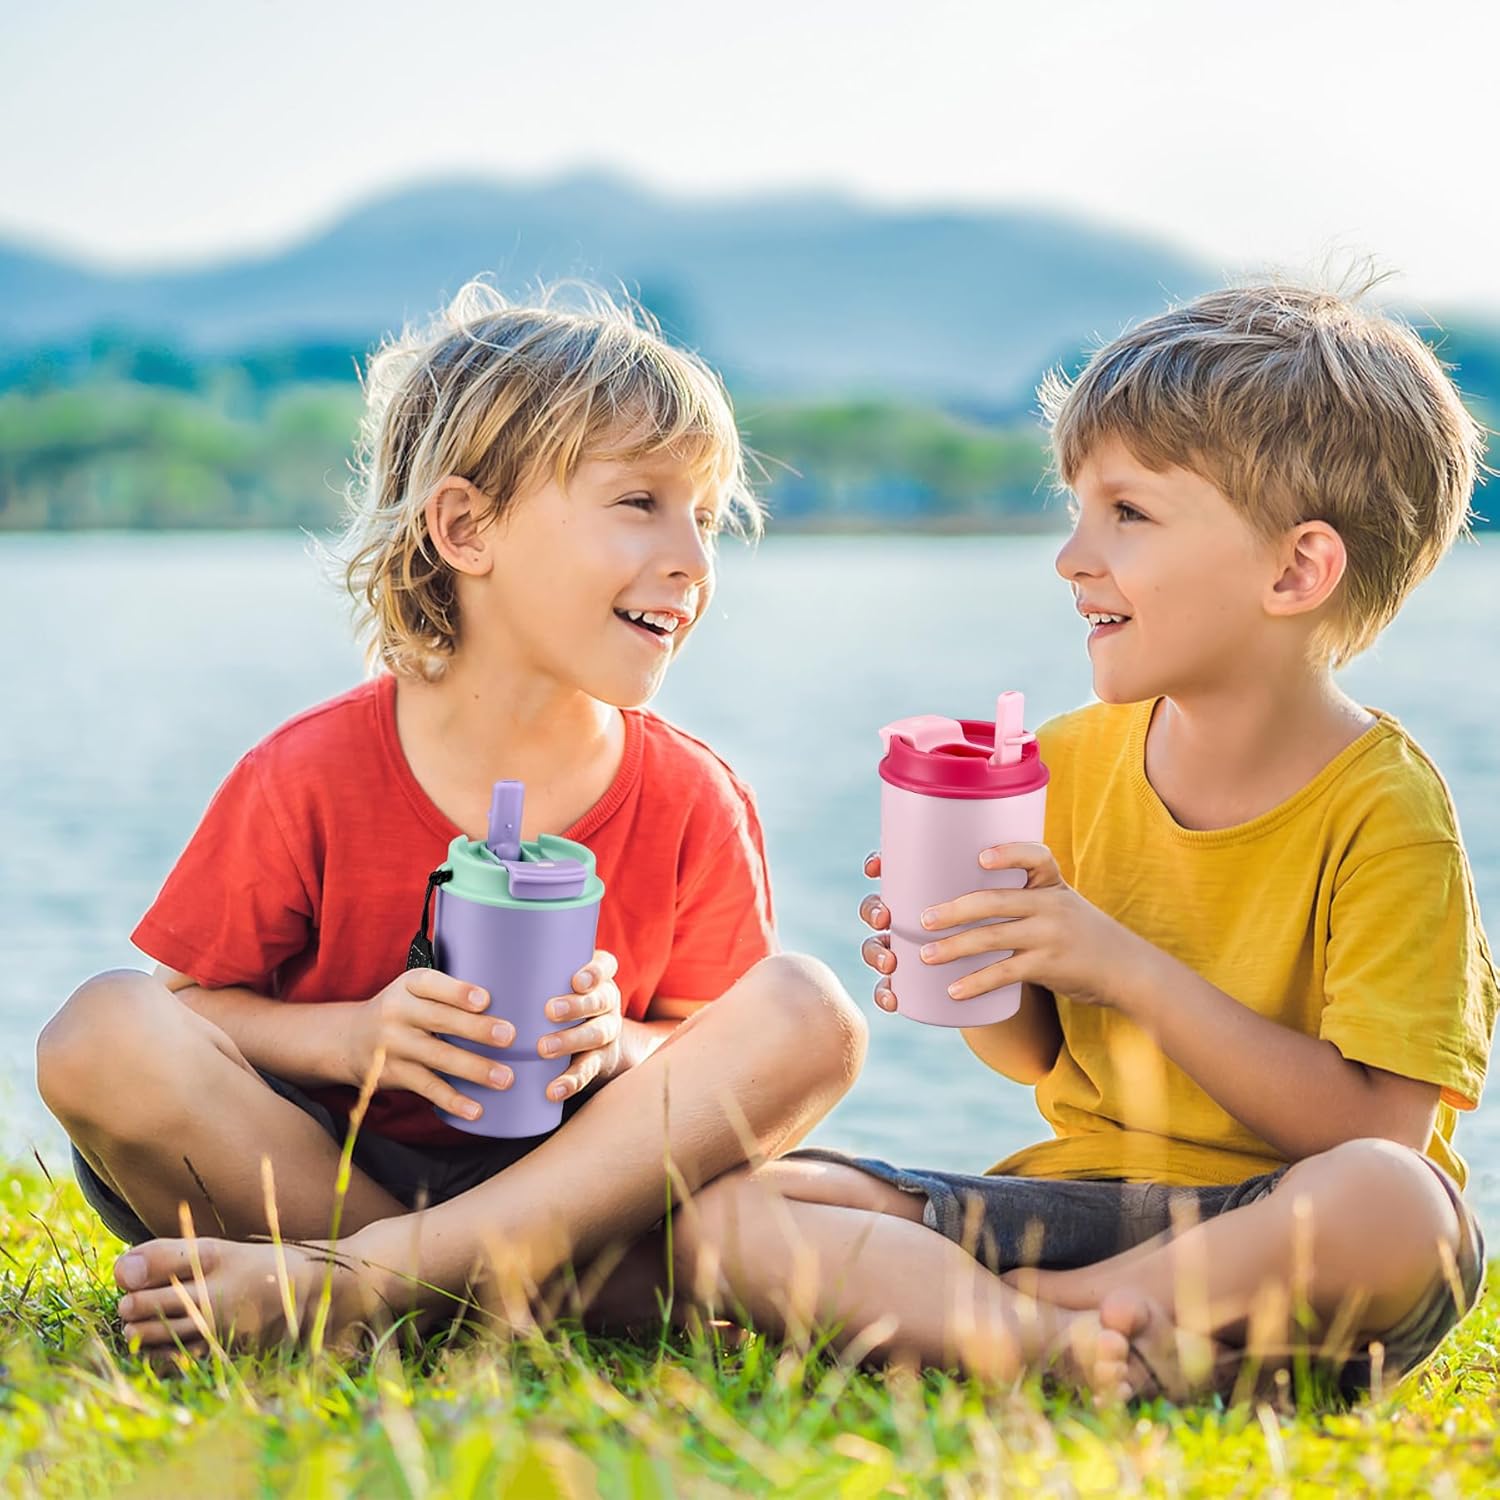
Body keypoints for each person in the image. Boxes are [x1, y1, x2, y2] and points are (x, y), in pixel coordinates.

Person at [664, 283, 1496, 1401]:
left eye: (1128, 515)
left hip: (1280, 1226)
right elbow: (1046, 1058)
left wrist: (1120, 964)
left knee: (1403, 1211)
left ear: (1296, 571)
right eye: (1075, 509)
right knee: (725, 1210)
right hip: (1081, 1200)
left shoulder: (1385, 812)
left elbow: (1373, 1132)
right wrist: (989, 966)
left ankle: (1006, 1327)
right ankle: (1104, 1348)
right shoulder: (1065, 762)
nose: (1070, 558)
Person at [35, 281, 872, 1358]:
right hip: (317, 1174)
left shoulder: (690, 797)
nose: (695, 562)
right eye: (641, 504)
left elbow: (716, 1058)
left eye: (705, 519)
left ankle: (377, 1289)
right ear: (467, 528)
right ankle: (454, 1288)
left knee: (809, 1009)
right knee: (100, 1032)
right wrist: (349, 1036)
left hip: (573, 1197)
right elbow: (191, 1010)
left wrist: (621, 1043)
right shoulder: (309, 772)